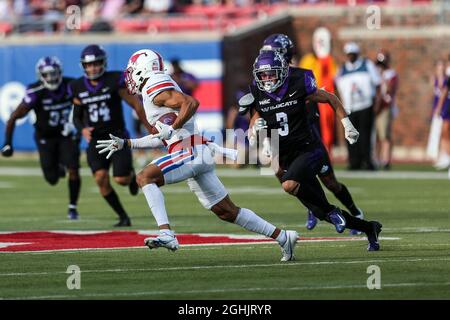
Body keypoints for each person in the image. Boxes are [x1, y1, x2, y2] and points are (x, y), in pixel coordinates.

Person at [95, 49, 299, 261]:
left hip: (189, 151)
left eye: (132, 70)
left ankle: (166, 233)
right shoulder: (152, 90)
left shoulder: (154, 85)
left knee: (144, 177)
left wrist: (173, 127)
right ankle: (284, 237)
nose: (129, 76)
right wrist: (126, 144)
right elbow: (161, 137)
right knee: (226, 211)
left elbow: (190, 103)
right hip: (193, 151)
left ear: (142, 69)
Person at [246, 49, 382, 251]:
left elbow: (330, 98)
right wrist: (254, 133)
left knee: (289, 185)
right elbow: (255, 117)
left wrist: (347, 124)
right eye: (262, 75)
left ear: (282, 71)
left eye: (271, 73)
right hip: (286, 156)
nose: (266, 79)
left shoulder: (298, 83)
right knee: (321, 212)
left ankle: (339, 210)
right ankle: (369, 227)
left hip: (308, 149)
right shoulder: (258, 91)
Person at [70, 44, 151, 227]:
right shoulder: (76, 87)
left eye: (97, 64)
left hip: (116, 136)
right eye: (89, 65)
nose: (93, 68)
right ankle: (123, 216)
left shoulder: (114, 80)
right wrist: (82, 128)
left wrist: (149, 126)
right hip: (96, 139)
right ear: (84, 66)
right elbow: (76, 116)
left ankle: (129, 175)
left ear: (103, 63)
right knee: (100, 178)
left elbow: (136, 105)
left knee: (121, 180)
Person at [1, 56, 82, 220]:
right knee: (52, 179)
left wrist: (78, 127)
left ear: (60, 73)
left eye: (54, 74)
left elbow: (86, 106)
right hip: (45, 137)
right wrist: (7, 143)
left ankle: (72, 206)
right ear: (41, 76)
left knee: (73, 168)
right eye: (47, 75)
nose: (51, 78)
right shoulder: (36, 91)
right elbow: (13, 117)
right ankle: (58, 165)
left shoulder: (70, 86)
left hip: (66, 134)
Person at [335, 42, 382, 171]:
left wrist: (377, 102)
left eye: (353, 54)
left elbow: (377, 84)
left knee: (366, 135)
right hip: (349, 107)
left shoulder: (367, 65)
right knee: (351, 135)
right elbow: (336, 88)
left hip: (365, 105)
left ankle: (367, 161)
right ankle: (354, 161)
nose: (350, 56)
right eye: (348, 54)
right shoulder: (342, 69)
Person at [299, 27, 338, 157]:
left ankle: (326, 153)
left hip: (321, 98)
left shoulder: (327, 60)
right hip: (310, 99)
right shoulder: (308, 59)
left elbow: (333, 78)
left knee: (326, 127)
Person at [374, 49, 398, 170]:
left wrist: (381, 77)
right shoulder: (376, 72)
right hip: (376, 107)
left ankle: (386, 160)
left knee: (385, 135)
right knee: (376, 135)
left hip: (385, 107)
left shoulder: (391, 74)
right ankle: (376, 159)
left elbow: (389, 89)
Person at [431, 59, 450, 169]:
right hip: (446, 107)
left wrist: (438, 107)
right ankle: (445, 155)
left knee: (445, 132)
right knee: (443, 132)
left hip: (447, 105)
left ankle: (447, 155)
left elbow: (444, 92)